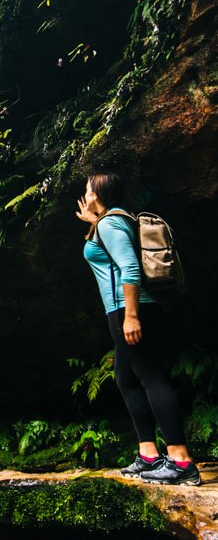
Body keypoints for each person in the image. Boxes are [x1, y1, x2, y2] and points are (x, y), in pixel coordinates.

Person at [76, 171, 201, 485]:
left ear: (98, 193)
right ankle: (149, 454)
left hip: (131, 308)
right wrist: (93, 220)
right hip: (123, 309)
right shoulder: (109, 222)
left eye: (88, 188)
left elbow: (129, 266)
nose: (85, 192)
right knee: (127, 378)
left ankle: (181, 461)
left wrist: (131, 316)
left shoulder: (110, 223)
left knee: (151, 378)